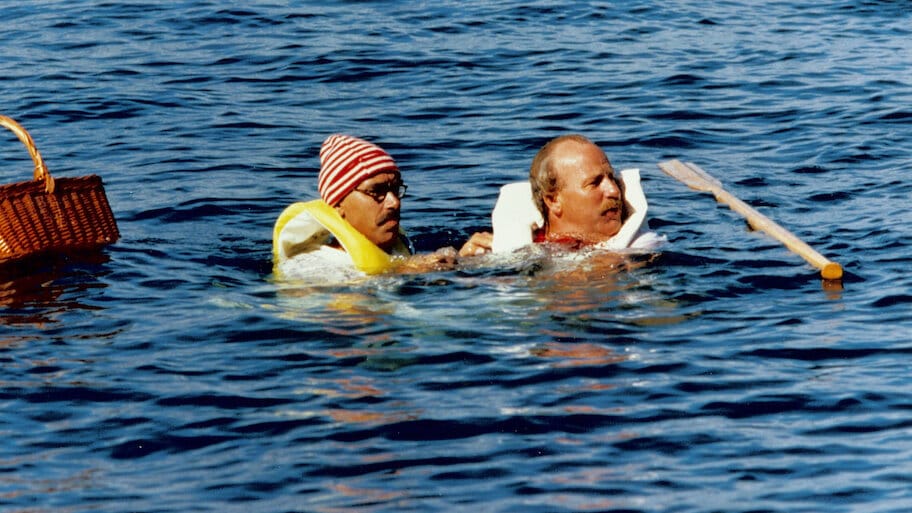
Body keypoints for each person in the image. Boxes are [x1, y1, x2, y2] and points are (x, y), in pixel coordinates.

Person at [274, 134, 479, 282]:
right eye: (376, 191)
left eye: (395, 189)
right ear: (337, 205)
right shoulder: (307, 267)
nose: (394, 202)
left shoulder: (399, 251)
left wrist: (466, 261)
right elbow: (344, 319)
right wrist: (402, 272)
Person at [490, 134, 662, 254]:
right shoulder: (518, 244)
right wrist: (465, 261)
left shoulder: (640, 248)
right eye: (595, 183)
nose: (614, 191)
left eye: (611, 177)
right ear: (553, 200)